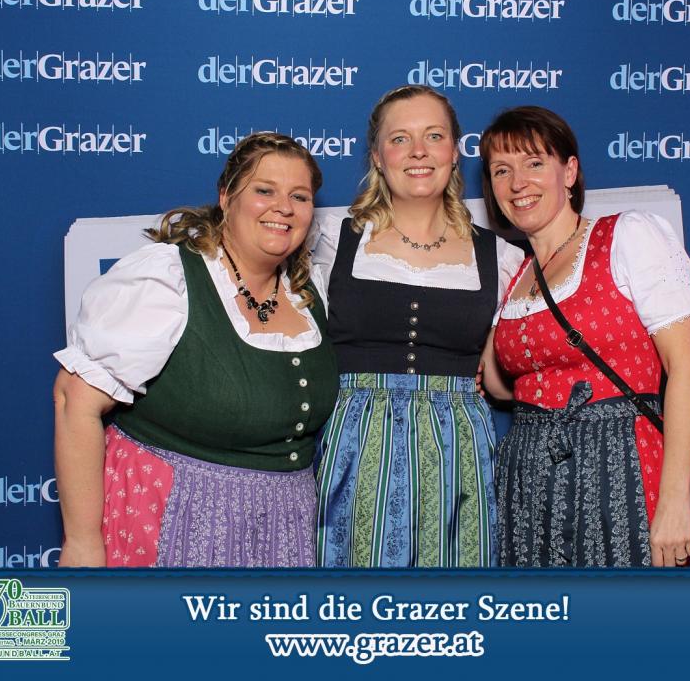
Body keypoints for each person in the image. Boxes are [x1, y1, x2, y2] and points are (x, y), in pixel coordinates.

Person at [52, 132, 338, 568]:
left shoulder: (308, 291)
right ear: (226, 196)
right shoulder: (169, 279)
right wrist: (82, 544)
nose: (284, 207)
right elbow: (74, 401)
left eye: (299, 196)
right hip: (174, 515)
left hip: (283, 528)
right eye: (264, 190)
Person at [480, 106, 690, 568]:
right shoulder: (516, 273)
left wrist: (675, 499)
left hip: (619, 464)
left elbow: (689, 369)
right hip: (528, 480)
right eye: (502, 170)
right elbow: (503, 386)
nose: (518, 182)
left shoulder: (628, 236)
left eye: (534, 163)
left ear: (569, 172)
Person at [313, 85, 524, 567]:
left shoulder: (502, 257)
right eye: (399, 139)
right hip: (354, 444)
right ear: (377, 156)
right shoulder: (330, 241)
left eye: (434, 135)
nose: (418, 151)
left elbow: (515, 365)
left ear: (455, 151)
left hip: (458, 451)